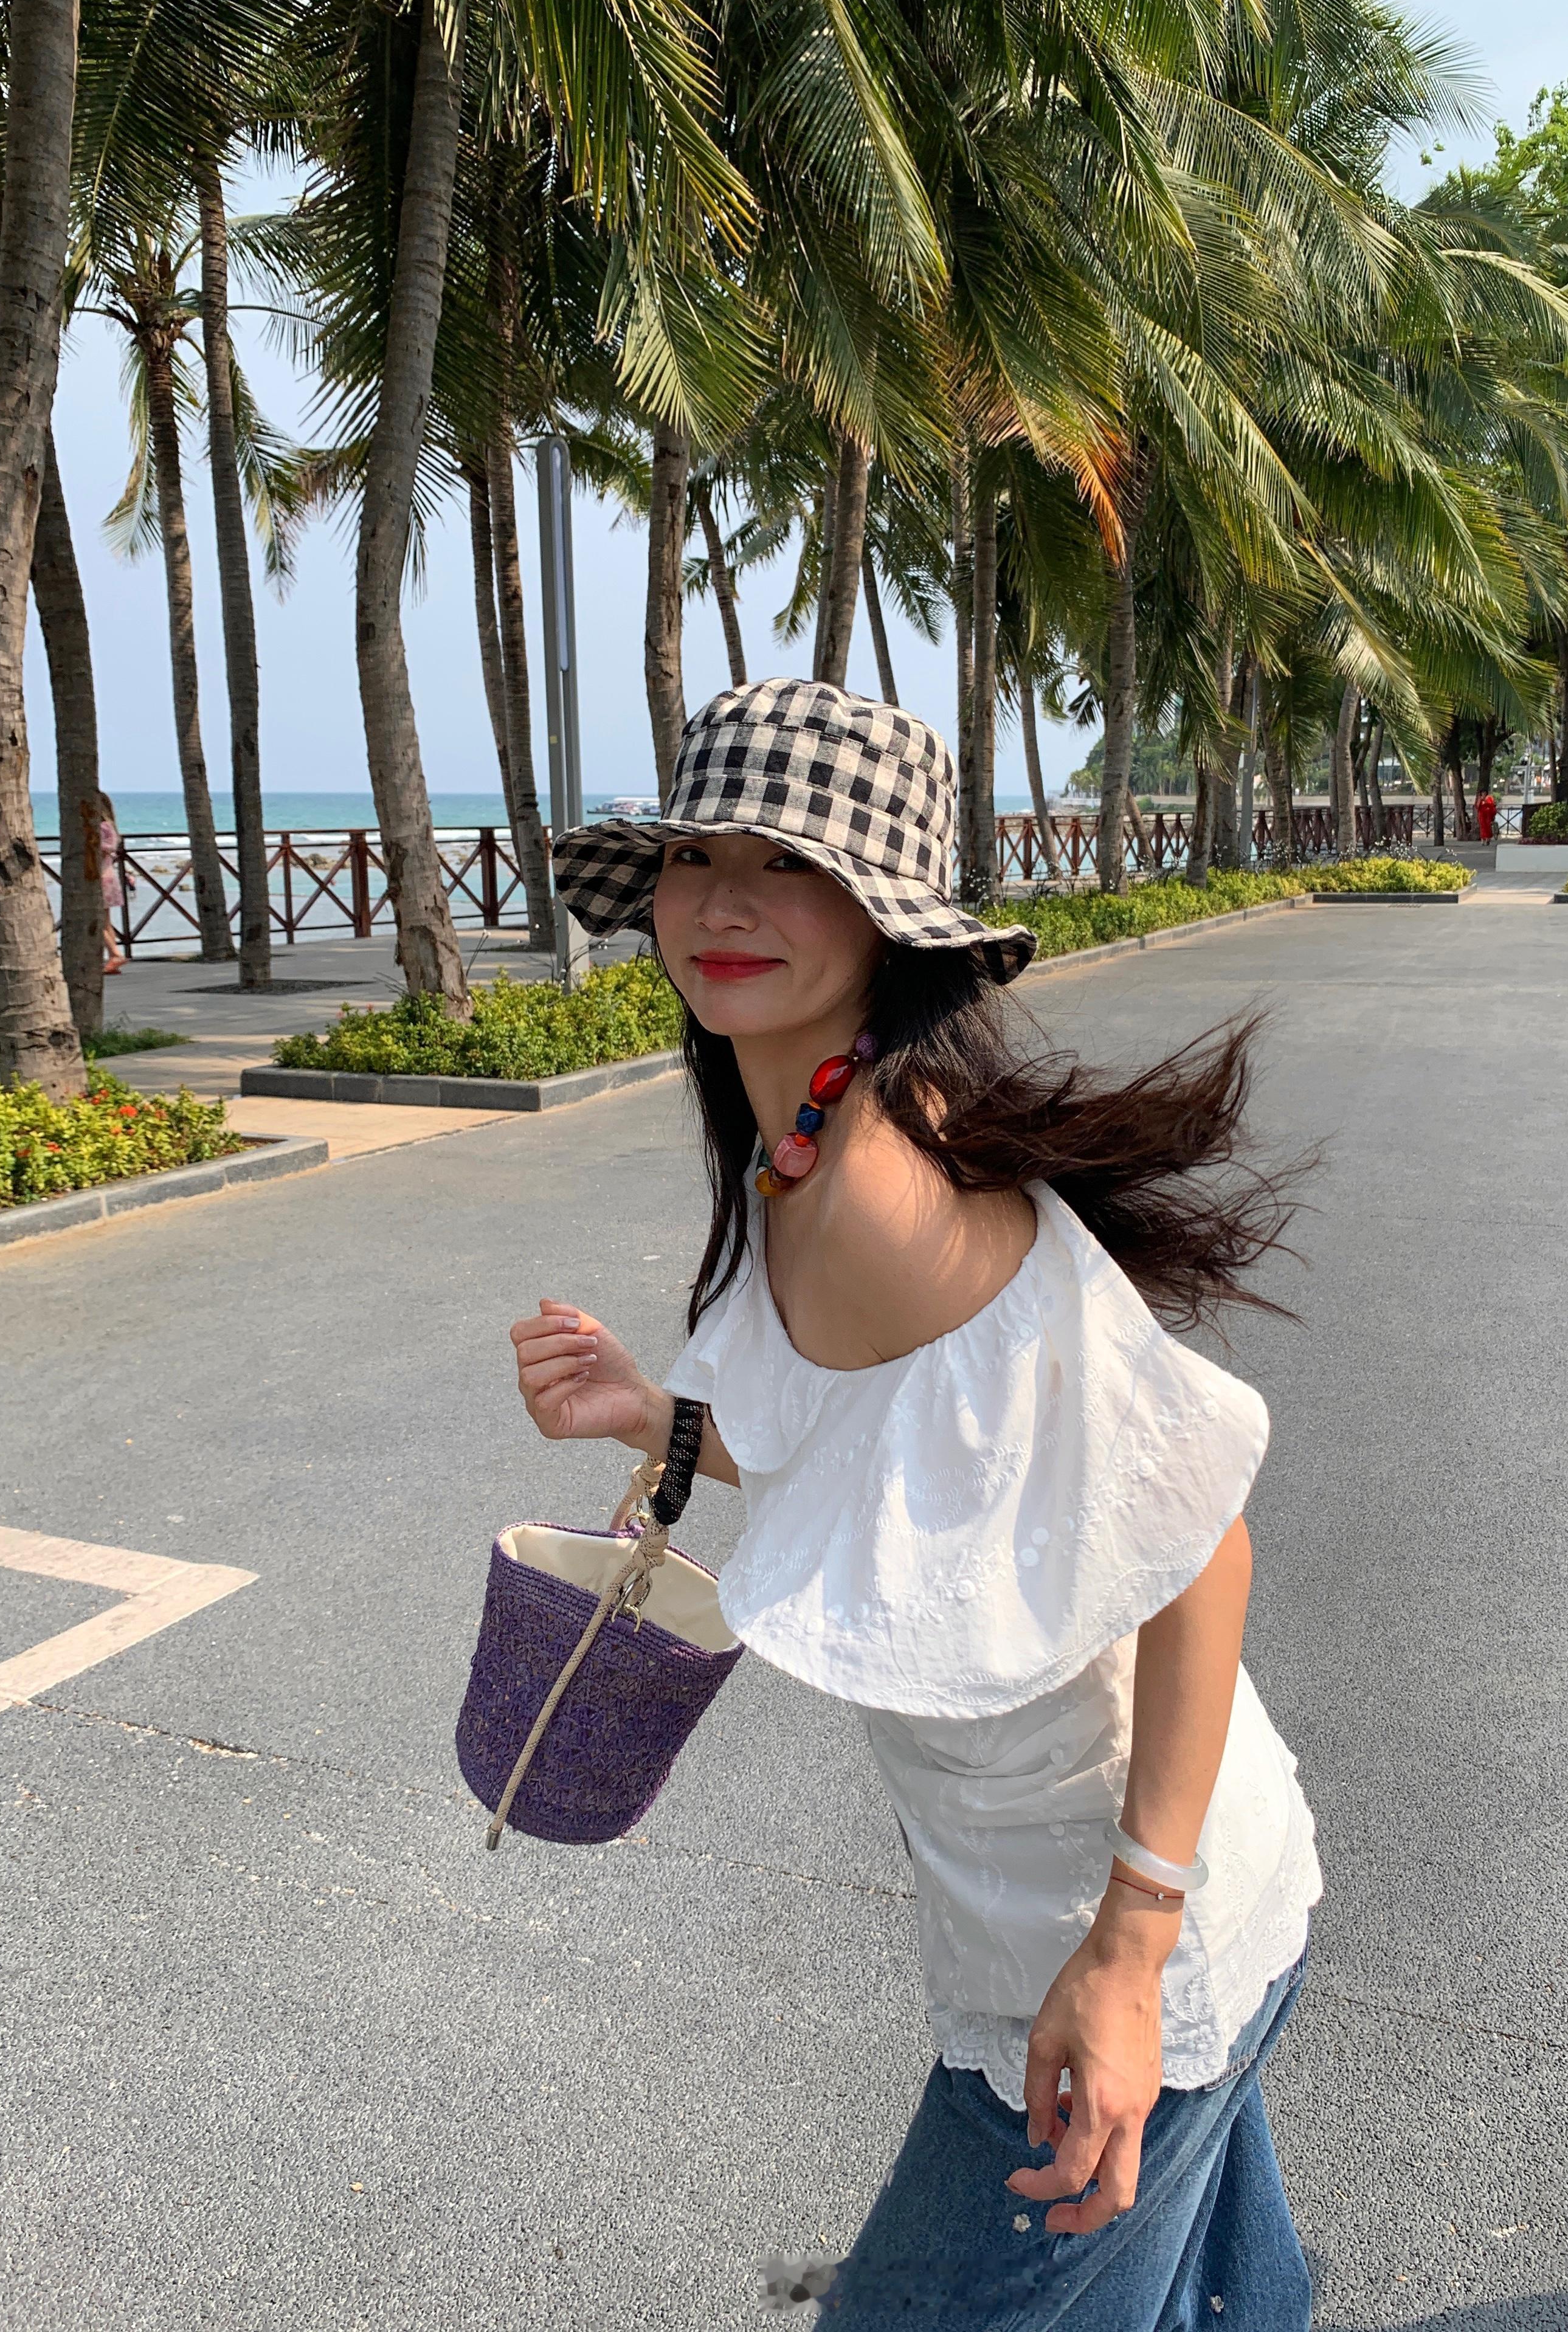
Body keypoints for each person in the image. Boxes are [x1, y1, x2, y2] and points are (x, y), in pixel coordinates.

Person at [510, 680, 1322, 2328]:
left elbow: (1199, 1545)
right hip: (1073, 1904)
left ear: (885, 919)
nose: (724, 904)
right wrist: (658, 1416)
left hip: (1112, 1930)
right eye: (694, 858)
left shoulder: (893, 1188)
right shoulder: (796, 1150)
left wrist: (1130, 1955)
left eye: (789, 867)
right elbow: (902, 1449)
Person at [97, 792, 128, 974]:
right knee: (106, 920)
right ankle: (113, 955)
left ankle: (115, 954)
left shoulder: (102, 828)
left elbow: (104, 849)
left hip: (101, 877)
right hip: (108, 875)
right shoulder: (110, 827)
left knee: (97, 919)